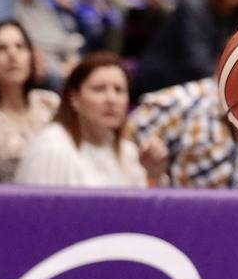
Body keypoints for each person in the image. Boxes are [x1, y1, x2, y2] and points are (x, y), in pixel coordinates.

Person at [15, 53, 157, 188]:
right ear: (74, 98)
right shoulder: (50, 147)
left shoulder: (127, 152)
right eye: (99, 89)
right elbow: (32, 210)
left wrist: (153, 174)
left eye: (119, 90)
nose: (111, 99)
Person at [0, 20, 59, 181]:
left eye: (20, 47)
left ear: (32, 56)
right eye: (1, 48)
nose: (12, 54)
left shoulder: (49, 103)